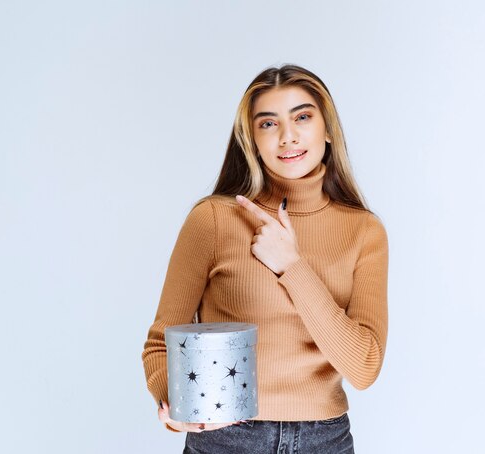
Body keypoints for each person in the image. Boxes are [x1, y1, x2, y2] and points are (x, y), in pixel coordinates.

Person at [141, 64, 389, 453]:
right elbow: (160, 344)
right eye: (268, 124)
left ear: (327, 130)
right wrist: (172, 403)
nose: (288, 137)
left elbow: (363, 368)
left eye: (302, 117)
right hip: (227, 437)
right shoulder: (214, 219)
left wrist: (292, 266)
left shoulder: (363, 231)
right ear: (253, 140)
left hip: (326, 441)